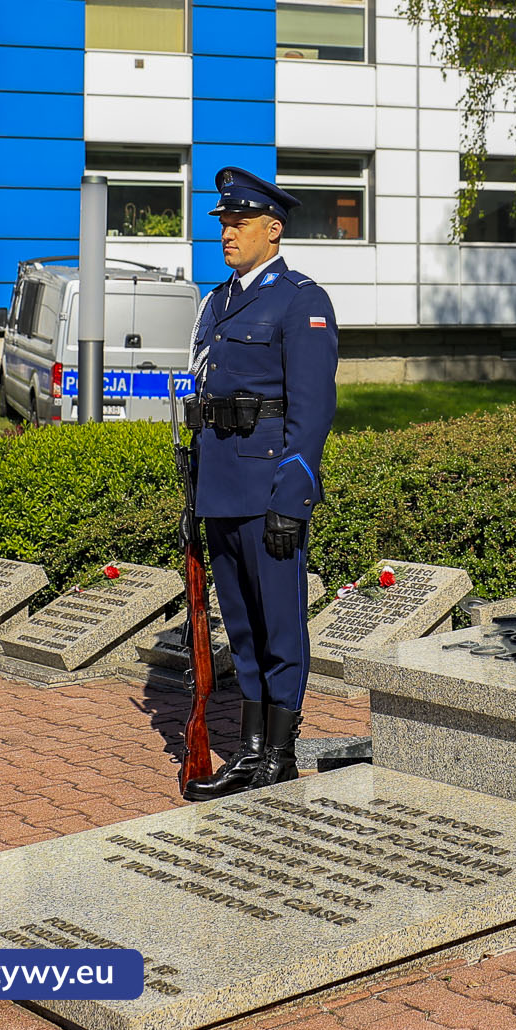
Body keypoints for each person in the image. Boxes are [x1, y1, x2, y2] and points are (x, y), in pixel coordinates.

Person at [181, 167, 339, 801]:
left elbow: (311, 408)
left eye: (239, 223)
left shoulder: (300, 300)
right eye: (223, 223)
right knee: (241, 625)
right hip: (219, 485)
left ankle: (280, 751)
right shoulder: (217, 302)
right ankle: (249, 750)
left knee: (279, 624)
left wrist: (292, 494)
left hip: (269, 488)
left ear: (272, 230)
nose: (227, 233)